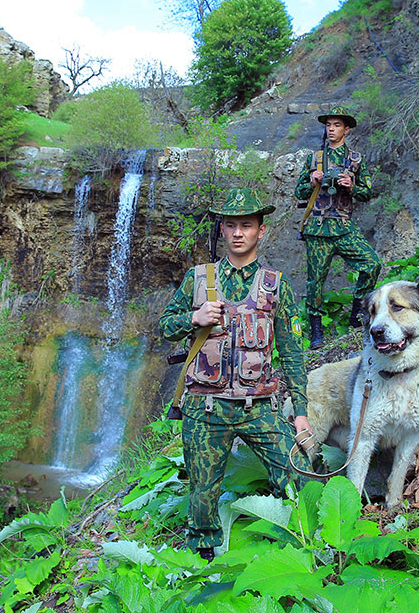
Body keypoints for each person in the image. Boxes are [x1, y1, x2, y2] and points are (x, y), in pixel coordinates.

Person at [159, 188, 311, 561]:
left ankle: (303, 545)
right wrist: (193, 318)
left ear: (261, 231)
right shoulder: (199, 279)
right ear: (222, 231)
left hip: (259, 406)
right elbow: (165, 326)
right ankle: (202, 563)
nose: (238, 233)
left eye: (246, 225)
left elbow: (292, 352)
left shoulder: (276, 285)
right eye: (231, 225)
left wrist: (301, 412)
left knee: (299, 476)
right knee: (202, 493)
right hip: (205, 408)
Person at [294, 105, 382, 349]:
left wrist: (351, 185)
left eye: (336, 125)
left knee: (371, 264)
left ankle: (356, 315)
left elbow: (367, 193)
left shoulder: (355, 159)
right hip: (318, 228)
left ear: (347, 129)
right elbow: (298, 191)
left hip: (343, 226)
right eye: (328, 125)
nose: (331, 129)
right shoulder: (315, 158)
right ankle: (316, 332)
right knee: (315, 282)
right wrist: (312, 181)